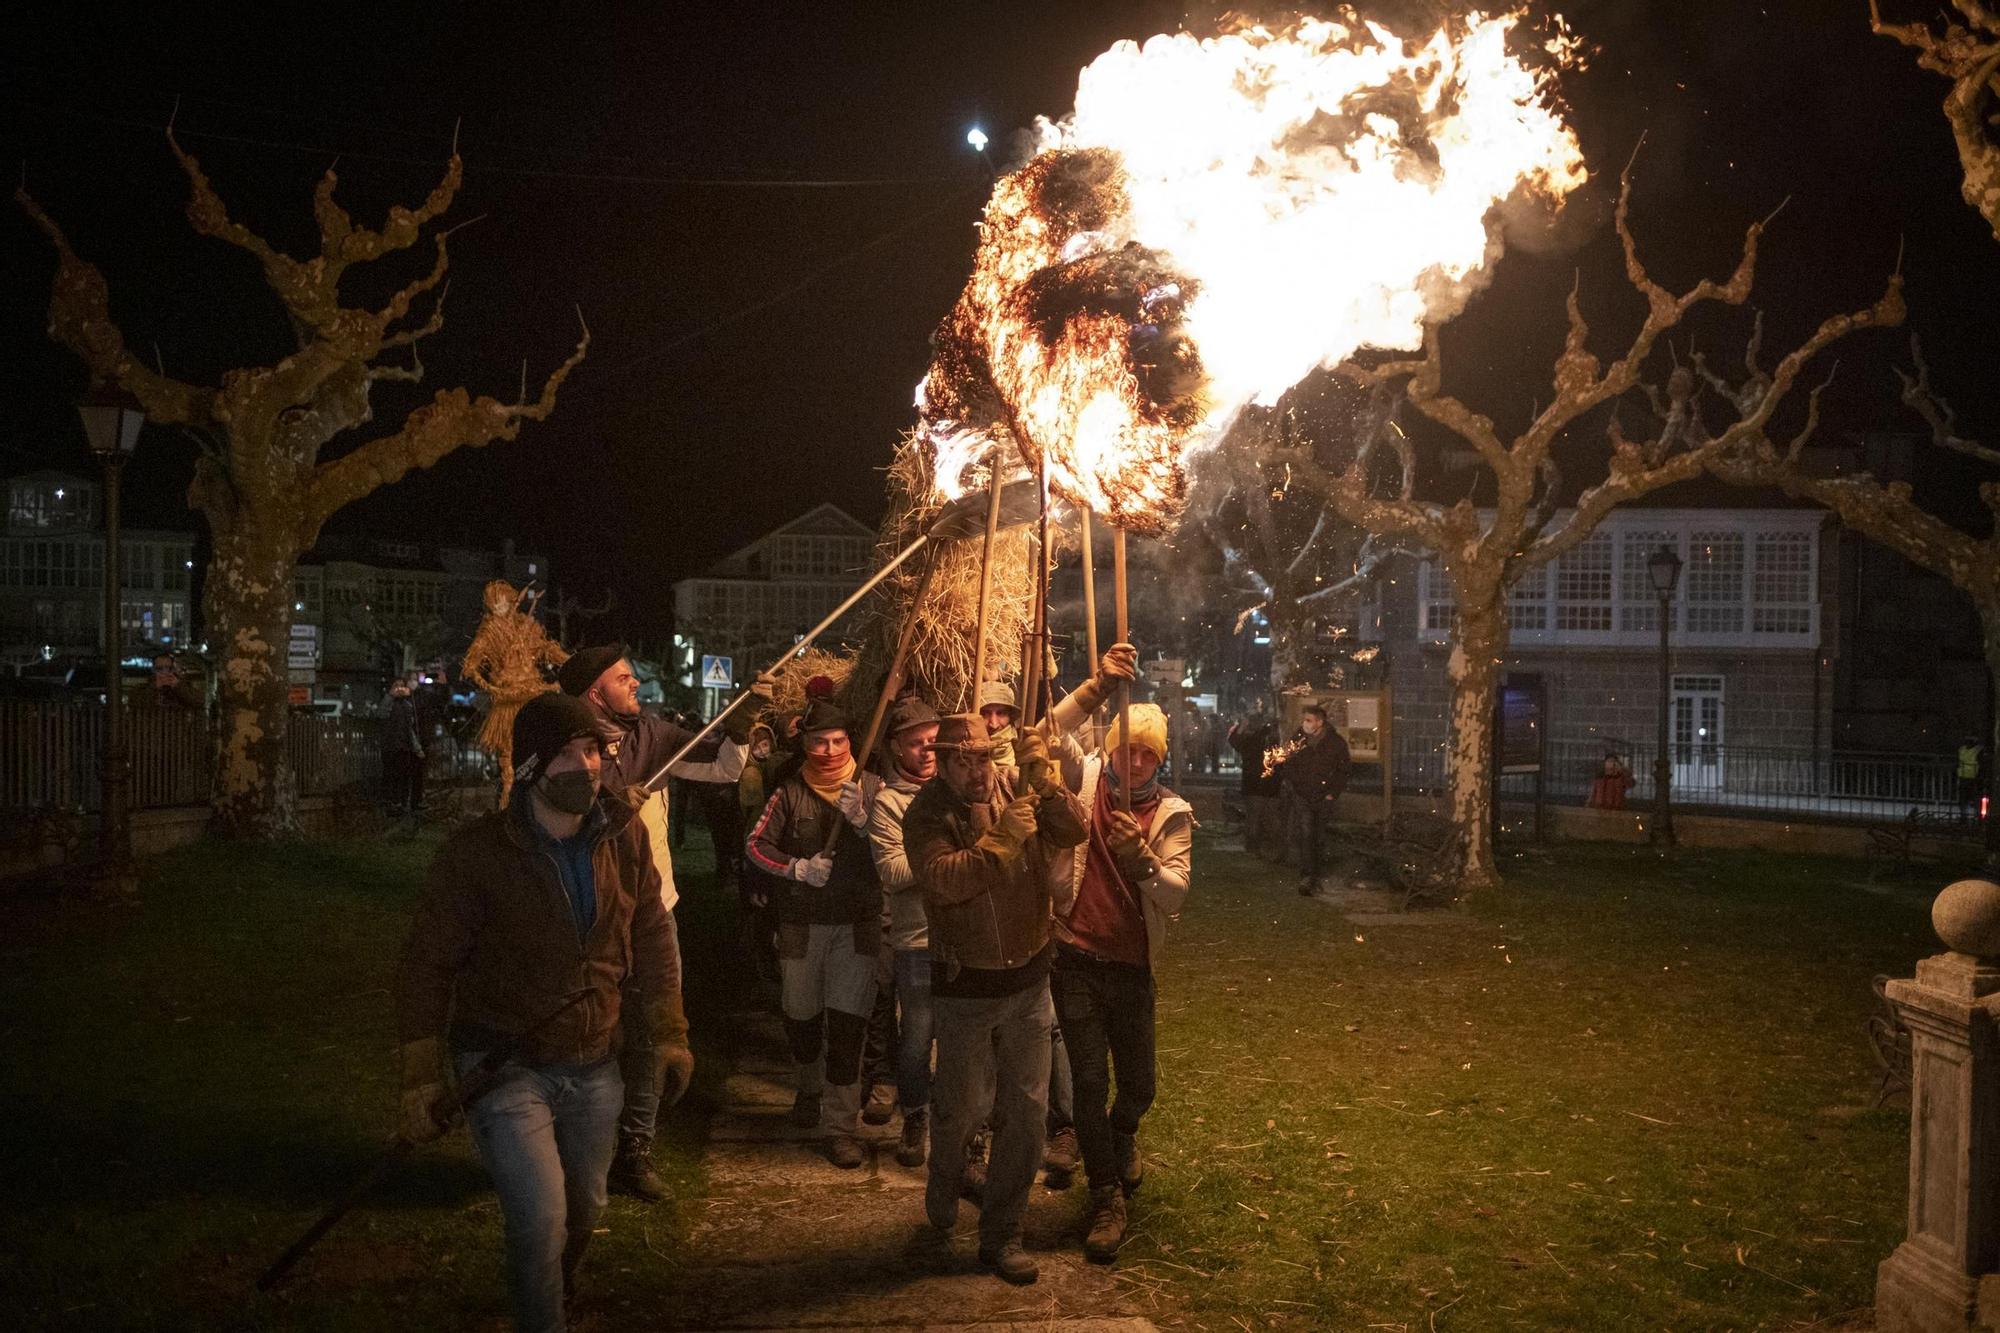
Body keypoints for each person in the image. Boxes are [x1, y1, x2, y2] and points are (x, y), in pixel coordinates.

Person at [396, 691, 687, 1333]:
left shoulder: (623, 836)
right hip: (505, 1062)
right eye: (564, 754)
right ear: (529, 767)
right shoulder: (479, 854)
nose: (585, 766)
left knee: (585, 1208)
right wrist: (421, 1072)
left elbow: (652, 930)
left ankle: (559, 1289)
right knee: (540, 1217)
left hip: (594, 1062)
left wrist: (667, 1030)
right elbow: (426, 963)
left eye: (592, 750)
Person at [559, 642, 765, 1203]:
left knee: (653, 1033)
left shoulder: (652, 735)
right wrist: (603, 803)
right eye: (623, 678)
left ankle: (635, 1153)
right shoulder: (564, 743)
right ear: (593, 691)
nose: (636, 685)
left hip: (656, 909)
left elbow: (722, 768)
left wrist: (741, 726)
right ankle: (575, 1150)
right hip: (588, 915)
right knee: (590, 1034)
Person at [905, 713, 1088, 1285]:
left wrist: (1047, 782)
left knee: (1028, 1116)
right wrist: (1002, 839)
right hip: (967, 989)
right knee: (962, 1110)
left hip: (1029, 982)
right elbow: (943, 880)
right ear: (942, 759)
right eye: (965, 760)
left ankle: (1003, 1232)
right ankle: (946, 1172)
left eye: (986, 757)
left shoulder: (1017, 787)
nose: (979, 770)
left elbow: (1074, 831)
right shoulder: (927, 813)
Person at [1047, 700, 1192, 1263]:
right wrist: (1091, 691)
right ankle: (1105, 1196)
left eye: (1146, 753)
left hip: (1132, 970)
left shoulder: (1172, 812)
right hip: (1076, 957)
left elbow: (1177, 893)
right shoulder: (1082, 781)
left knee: (1138, 1087)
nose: (1134, 762)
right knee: (1087, 1082)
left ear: (1159, 759)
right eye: (1126, 749)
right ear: (1110, 749)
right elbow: (1045, 731)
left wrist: (1147, 866)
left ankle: (1122, 1132)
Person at [746, 698, 886, 1168]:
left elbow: (897, 850)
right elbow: (755, 844)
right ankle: (808, 1087)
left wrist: (867, 823)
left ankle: (842, 1127)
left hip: (857, 924)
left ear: (851, 742)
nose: (828, 750)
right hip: (802, 924)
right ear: (804, 744)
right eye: (818, 741)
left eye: (838, 741)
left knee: (848, 1026)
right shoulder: (788, 792)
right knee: (801, 1015)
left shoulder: (872, 786)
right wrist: (796, 868)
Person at [865, 694, 942, 1167]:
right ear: (897, 749)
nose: (928, 751)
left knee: (965, 1038)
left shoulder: (958, 790)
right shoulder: (889, 803)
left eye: (934, 741)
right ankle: (915, 1114)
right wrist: (947, 861)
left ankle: (964, 1123)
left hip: (965, 936)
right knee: (916, 1036)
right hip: (917, 939)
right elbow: (892, 871)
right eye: (917, 744)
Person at [1274, 703, 1352, 896]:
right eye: (1304, 720)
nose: (1305, 724)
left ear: (1320, 722)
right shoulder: (1299, 739)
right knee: (1307, 833)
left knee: (1318, 835)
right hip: (1303, 795)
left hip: (1323, 796)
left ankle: (1315, 873)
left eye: (1309, 720)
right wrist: (1295, 785)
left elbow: (1343, 771)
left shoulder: (1336, 743)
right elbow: (1288, 762)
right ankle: (1308, 876)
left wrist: (1331, 793)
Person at [1226, 706, 1284, 859]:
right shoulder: (1277, 742)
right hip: (1272, 785)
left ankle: (1253, 848)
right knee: (1272, 819)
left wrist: (1241, 726)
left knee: (1254, 818)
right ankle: (1276, 849)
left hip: (1253, 785)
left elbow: (1234, 741)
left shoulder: (1251, 741)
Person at [382, 678, 426, 823]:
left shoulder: (407, 705)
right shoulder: (388, 703)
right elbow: (381, 714)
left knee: (404, 776)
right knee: (391, 776)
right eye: (397, 686)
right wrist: (390, 696)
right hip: (390, 746)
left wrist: (416, 748)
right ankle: (392, 803)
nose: (400, 689)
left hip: (404, 747)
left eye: (402, 686)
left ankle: (402, 804)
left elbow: (410, 729)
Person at [1959, 735, 1985, 824]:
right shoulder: (1978, 750)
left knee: (1965, 799)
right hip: (1973, 778)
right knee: (1974, 799)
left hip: (1965, 777)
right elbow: (1982, 764)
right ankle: (1978, 818)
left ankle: (1965, 818)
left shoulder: (1962, 749)